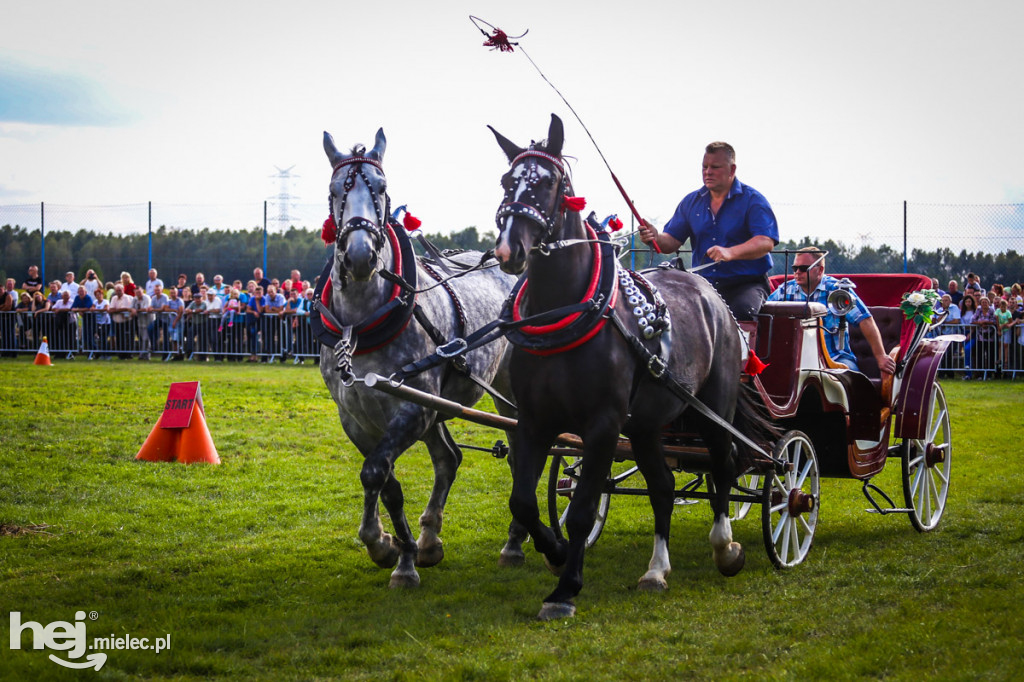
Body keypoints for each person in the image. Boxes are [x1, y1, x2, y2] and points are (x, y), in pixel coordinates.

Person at [638, 141, 779, 321]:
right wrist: (655, 237)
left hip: (746, 284)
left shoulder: (753, 200)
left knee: (741, 314)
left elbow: (765, 242)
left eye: (715, 167)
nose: (708, 172)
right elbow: (670, 241)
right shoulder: (691, 201)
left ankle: (747, 350)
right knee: (675, 316)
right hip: (702, 285)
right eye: (704, 167)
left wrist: (730, 252)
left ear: (732, 169)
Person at [767, 247, 896, 375]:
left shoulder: (838, 291)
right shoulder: (784, 291)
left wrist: (881, 356)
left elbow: (864, 319)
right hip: (795, 360)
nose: (797, 272)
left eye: (804, 268)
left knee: (850, 381)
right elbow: (765, 314)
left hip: (836, 358)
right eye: (795, 268)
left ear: (820, 270)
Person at [108, 283, 134, 356]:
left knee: (127, 338)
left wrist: (117, 310)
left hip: (126, 321)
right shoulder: (114, 298)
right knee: (119, 338)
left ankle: (128, 354)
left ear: (123, 290)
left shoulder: (127, 298)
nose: (118, 292)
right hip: (117, 321)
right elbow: (111, 309)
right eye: (117, 290)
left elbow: (126, 309)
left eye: (120, 290)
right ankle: (120, 354)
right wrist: (120, 310)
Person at [131, 286, 153, 359]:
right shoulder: (134, 299)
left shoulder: (147, 298)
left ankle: (145, 355)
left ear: (142, 291)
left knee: (146, 338)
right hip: (140, 321)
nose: (138, 294)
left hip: (148, 321)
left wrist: (136, 310)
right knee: (142, 338)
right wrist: (133, 310)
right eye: (137, 292)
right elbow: (131, 308)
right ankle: (143, 354)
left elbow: (145, 309)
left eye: (139, 292)